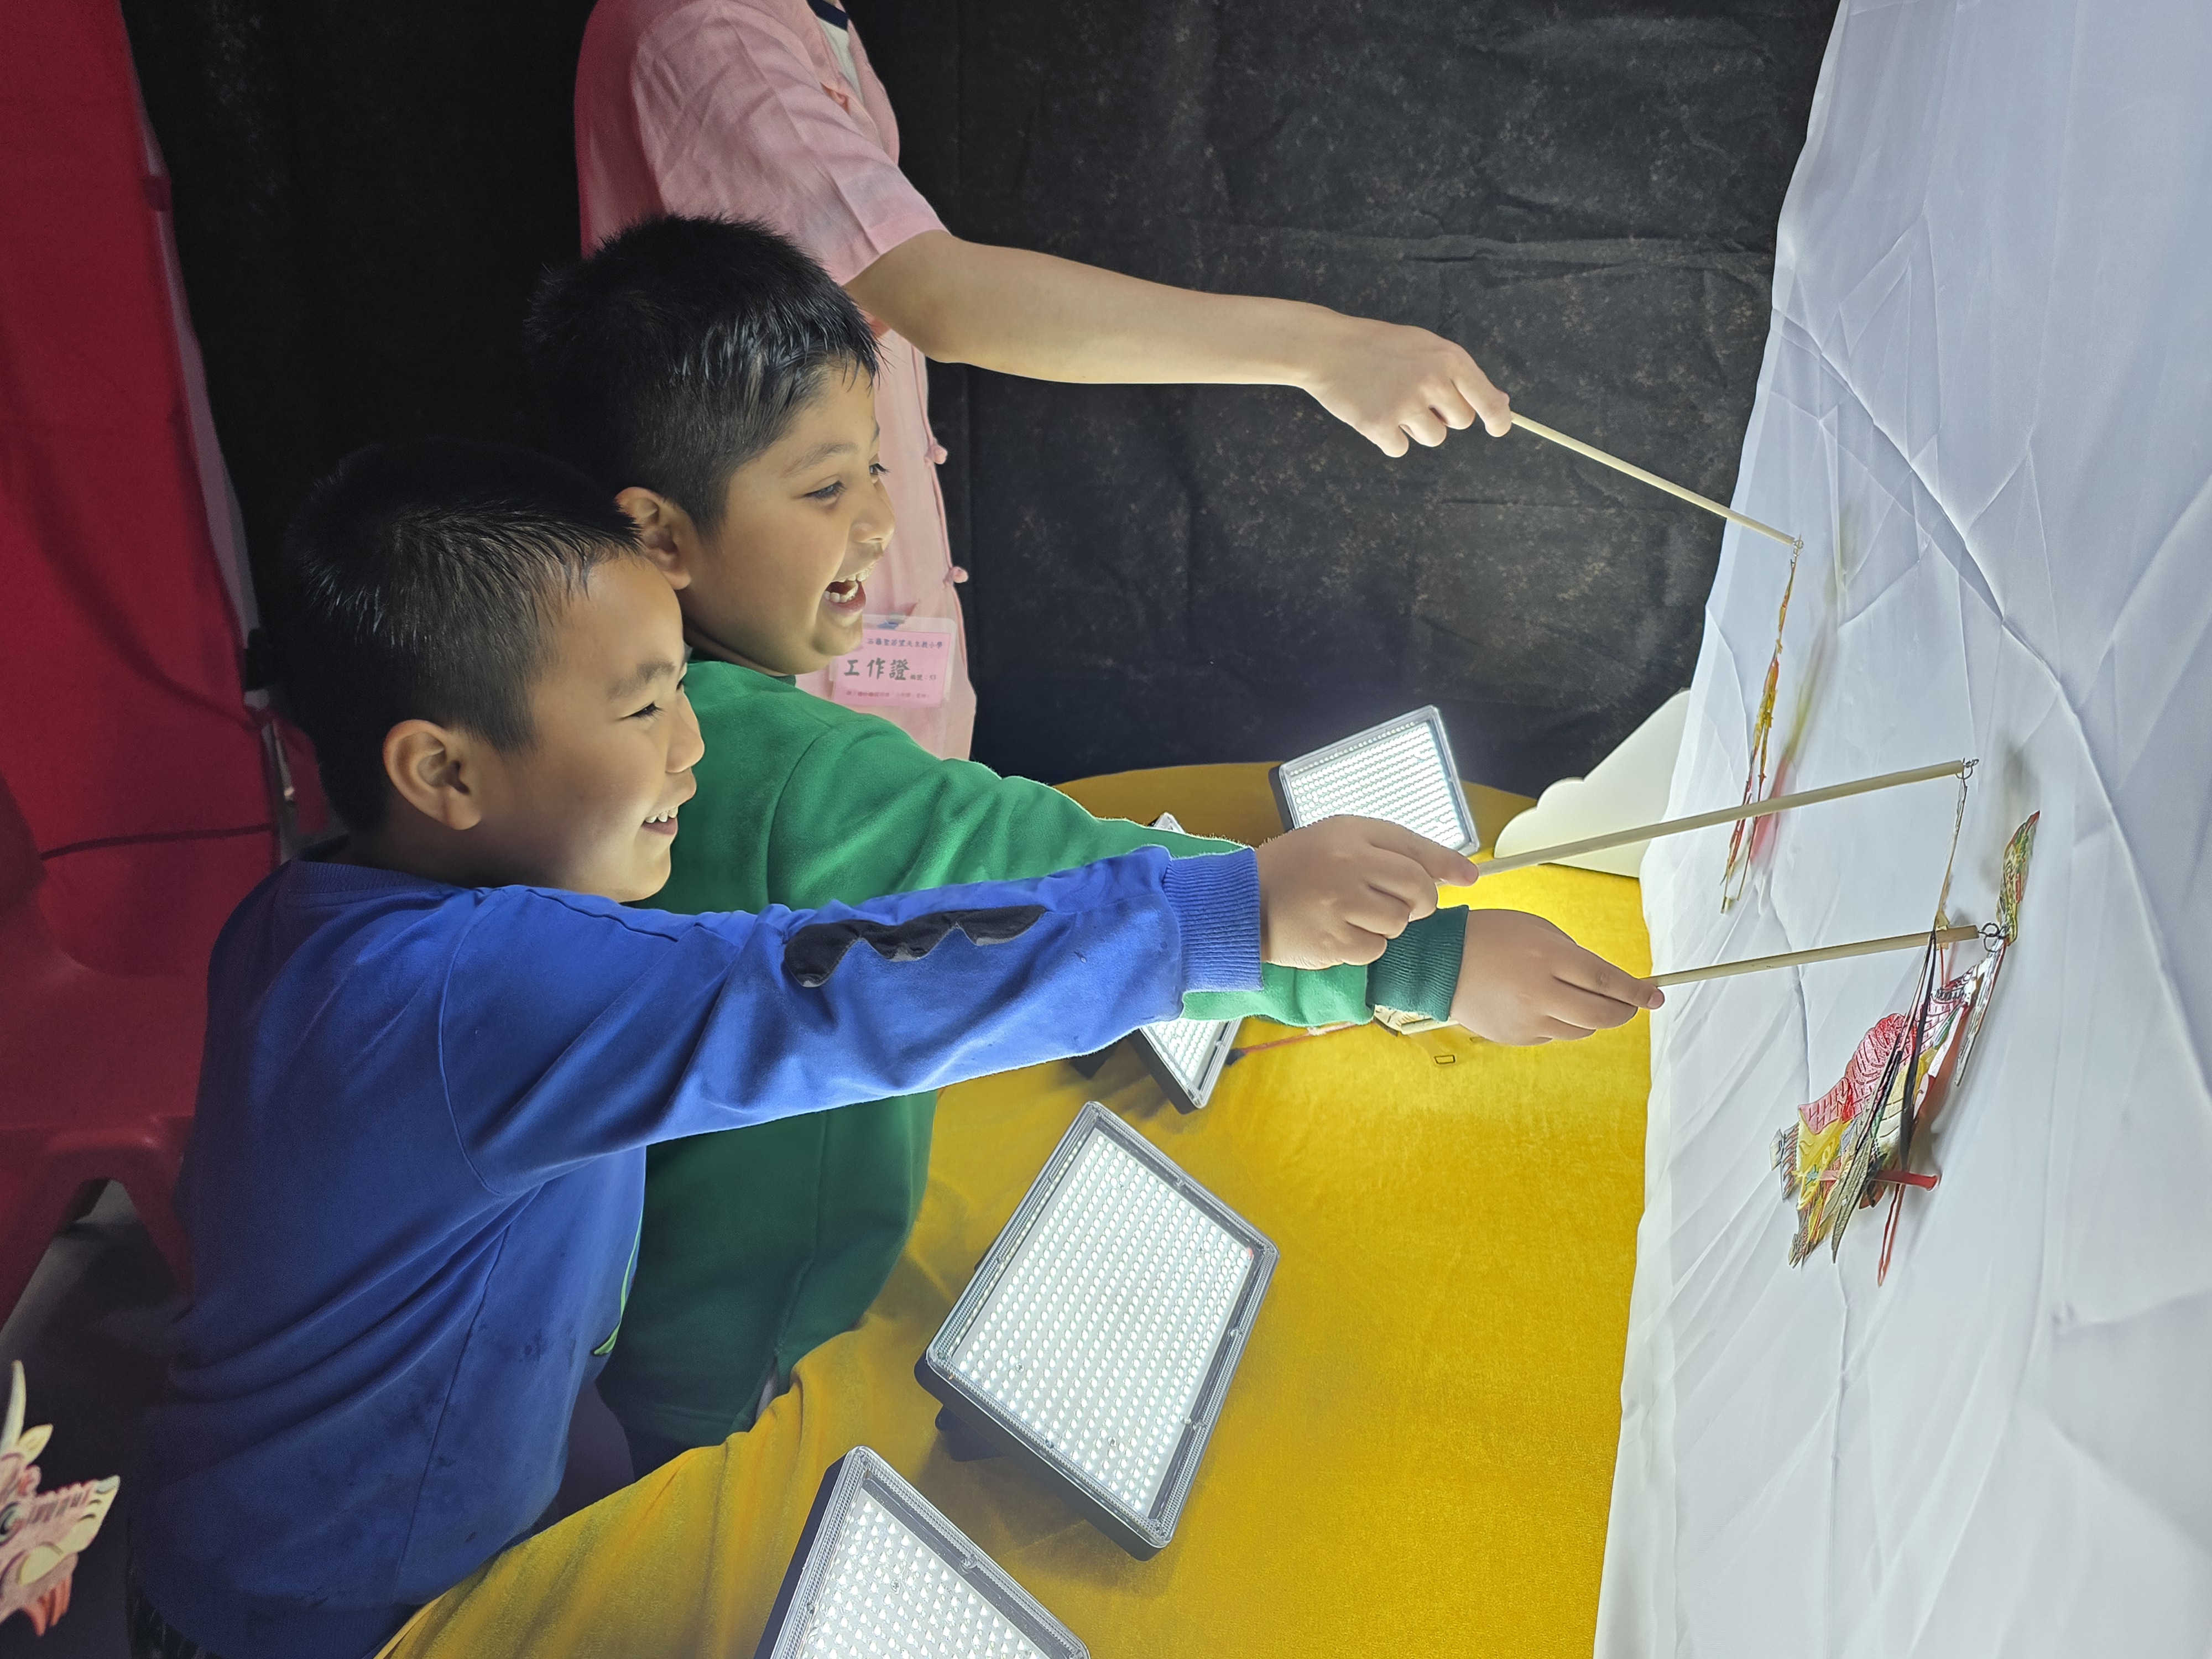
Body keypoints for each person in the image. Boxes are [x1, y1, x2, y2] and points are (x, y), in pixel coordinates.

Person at [126, 439, 1488, 1659]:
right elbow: (814, 998)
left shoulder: (315, 906)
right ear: (443, 772)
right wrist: (1223, 913)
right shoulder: (470, 989)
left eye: (682, 686)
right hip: (320, 1609)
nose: (690, 747)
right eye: (641, 707)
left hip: (292, 1534)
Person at [524, 215, 1663, 1475]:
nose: (877, 522)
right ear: (660, 534)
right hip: (729, 1371)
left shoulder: (629, 714)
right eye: (824, 487)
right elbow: (1031, 870)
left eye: (879, 469)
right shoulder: (774, 763)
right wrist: (1420, 962)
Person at [573, 0, 1516, 759]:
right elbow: (938, 295)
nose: (874, 513)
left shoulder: (808, 23)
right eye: (834, 486)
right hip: (793, 684)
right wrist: (1322, 350)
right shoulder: (706, 28)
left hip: (867, 658)